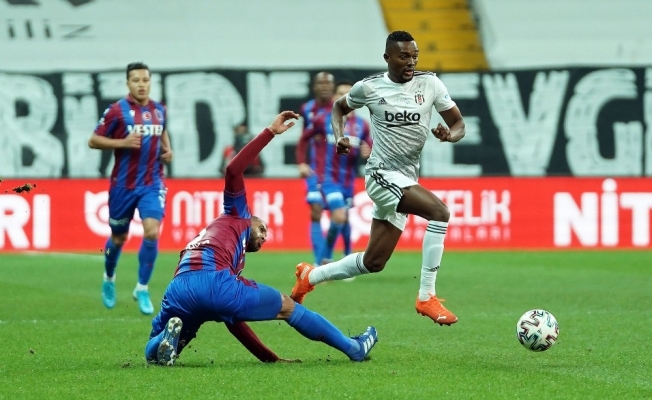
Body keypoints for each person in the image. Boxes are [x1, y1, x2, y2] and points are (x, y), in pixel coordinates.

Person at [144, 111, 378, 366]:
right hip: (216, 281)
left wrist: (270, 358)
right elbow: (233, 169)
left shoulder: (211, 239)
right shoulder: (237, 213)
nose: (265, 236)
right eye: (263, 228)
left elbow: (236, 324)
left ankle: (165, 339)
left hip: (178, 289)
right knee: (288, 307)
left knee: (156, 346)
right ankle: (354, 348)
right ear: (251, 219)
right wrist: (270, 132)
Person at [291, 31, 466, 326]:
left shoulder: (431, 84)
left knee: (373, 262)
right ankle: (427, 296)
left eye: (414, 56)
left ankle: (311, 276)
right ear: (387, 57)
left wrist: (450, 135)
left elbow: (459, 123)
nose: (411, 62)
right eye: (404, 56)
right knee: (440, 212)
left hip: (406, 177)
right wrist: (339, 135)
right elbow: (338, 108)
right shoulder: (370, 87)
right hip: (381, 175)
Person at [89, 62, 173, 315]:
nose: (141, 84)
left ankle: (142, 287)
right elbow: (93, 140)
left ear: (150, 82)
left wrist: (167, 150)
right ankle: (109, 278)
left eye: (145, 80)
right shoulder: (117, 110)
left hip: (152, 183)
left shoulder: (160, 109)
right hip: (123, 185)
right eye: (136, 80)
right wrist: (122, 142)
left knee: (152, 232)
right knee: (118, 238)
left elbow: (162, 132)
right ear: (128, 83)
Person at [296, 81, 372, 265]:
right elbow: (304, 139)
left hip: (348, 180)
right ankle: (324, 259)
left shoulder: (362, 125)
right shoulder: (323, 119)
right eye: (341, 93)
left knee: (344, 220)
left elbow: (369, 147)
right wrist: (302, 163)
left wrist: (368, 150)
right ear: (335, 97)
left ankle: (346, 257)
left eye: (350, 93)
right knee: (336, 215)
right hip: (328, 178)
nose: (345, 96)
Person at [297, 72, 335, 265]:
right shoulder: (307, 109)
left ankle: (329, 254)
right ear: (314, 87)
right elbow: (304, 138)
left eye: (328, 83)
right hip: (315, 170)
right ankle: (320, 262)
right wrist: (301, 163)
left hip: (337, 172)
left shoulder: (340, 108)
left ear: (333, 87)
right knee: (315, 211)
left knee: (339, 217)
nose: (324, 86)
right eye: (321, 83)